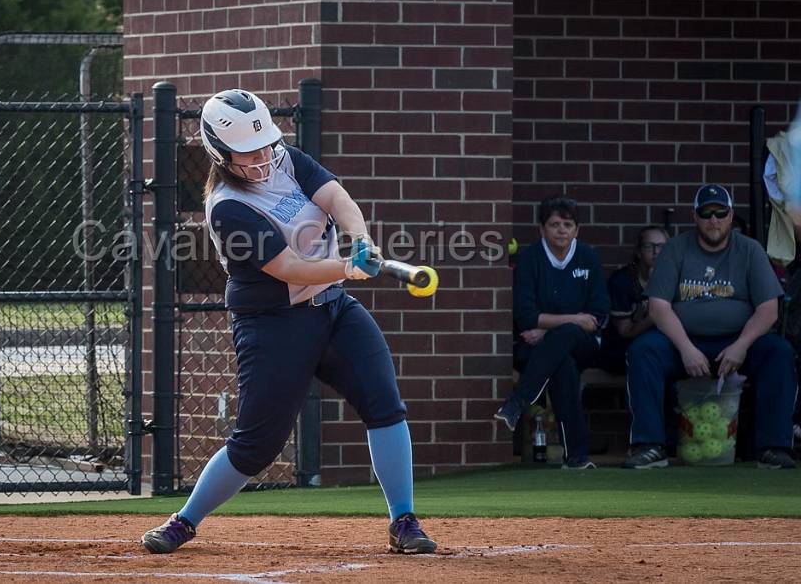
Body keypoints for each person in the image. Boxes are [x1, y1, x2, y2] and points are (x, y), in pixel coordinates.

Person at [141, 89, 436, 555]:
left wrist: (359, 239)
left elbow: (338, 199)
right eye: (247, 153)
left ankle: (404, 520)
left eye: (264, 146)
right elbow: (289, 269)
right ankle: (185, 520)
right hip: (273, 324)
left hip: (333, 309)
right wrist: (348, 267)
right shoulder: (228, 208)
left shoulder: (287, 159)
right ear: (221, 154)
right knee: (257, 445)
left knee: (384, 404)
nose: (261, 157)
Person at [623, 184, 798, 469]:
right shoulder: (676, 248)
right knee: (643, 351)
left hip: (738, 341)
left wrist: (741, 346)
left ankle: (774, 448)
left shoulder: (750, 250)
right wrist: (686, 349)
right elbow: (658, 307)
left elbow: (768, 310)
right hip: (683, 340)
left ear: (730, 216)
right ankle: (649, 445)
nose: (713, 219)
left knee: (779, 352)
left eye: (720, 212)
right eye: (706, 213)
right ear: (695, 216)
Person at [496, 195, 610, 469]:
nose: (561, 230)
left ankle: (517, 401)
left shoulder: (588, 257)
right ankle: (577, 457)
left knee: (567, 337)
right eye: (555, 224)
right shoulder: (530, 258)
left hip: (583, 345)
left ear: (576, 230)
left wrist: (548, 330)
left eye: (568, 224)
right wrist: (573, 319)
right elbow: (526, 317)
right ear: (542, 229)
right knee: (563, 365)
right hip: (536, 349)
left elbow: (597, 317)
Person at [601, 226, 671, 373]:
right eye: (648, 246)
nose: (656, 252)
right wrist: (652, 317)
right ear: (638, 252)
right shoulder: (622, 281)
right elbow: (625, 331)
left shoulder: (673, 278)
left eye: (661, 246)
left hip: (659, 347)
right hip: (622, 350)